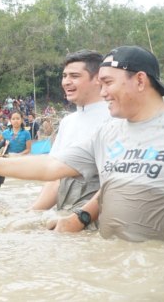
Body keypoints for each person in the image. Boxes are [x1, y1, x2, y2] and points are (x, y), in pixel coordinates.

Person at [0, 46, 164, 242]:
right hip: (110, 262)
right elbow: (51, 167)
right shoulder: (108, 133)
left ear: (140, 80)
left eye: (107, 83)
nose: (102, 92)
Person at [31, 50, 110, 231]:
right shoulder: (67, 122)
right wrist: (33, 213)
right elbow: (54, 178)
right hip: (66, 211)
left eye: (74, 76)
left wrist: (79, 219)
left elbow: (115, 183)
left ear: (98, 78)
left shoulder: (114, 118)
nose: (66, 82)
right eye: (64, 76)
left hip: (95, 218)